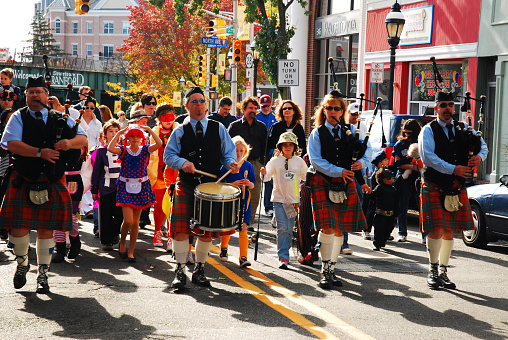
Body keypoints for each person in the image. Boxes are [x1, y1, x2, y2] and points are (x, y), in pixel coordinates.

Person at [0, 76, 87, 293]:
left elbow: (83, 139)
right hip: (23, 177)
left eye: (39, 91)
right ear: (26, 96)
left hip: (51, 180)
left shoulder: (61, 118)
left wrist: (69, 143)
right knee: (18, 230)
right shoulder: (18, 117)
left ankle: (43, 274)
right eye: (31, 92)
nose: (35, 95)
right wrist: (40, 153)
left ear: (47, 96)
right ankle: (22, 264)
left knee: (46, 230)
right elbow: (11, 143)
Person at [164, 86, 239, 289]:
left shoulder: (218, 128)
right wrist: (182, 163)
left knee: (205, 231)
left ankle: (199, 269)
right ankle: (180, 270)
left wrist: (230, 163)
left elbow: (228, 153)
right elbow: (168, 156)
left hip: (210, 186)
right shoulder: (179, 130)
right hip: (186, 184)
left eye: (202, 101)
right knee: (180, 231)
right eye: (194, 101)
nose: (199, 104)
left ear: (207, 106)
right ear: (187, 105)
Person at [418, 90, 487, 290]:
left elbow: (483, 147)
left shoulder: (464, 128)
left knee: (449, 231)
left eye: (450, 104)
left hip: (456, 187)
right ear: (436, 107)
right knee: (436, 229)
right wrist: (453, 169)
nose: (447, 108)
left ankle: (443, 271)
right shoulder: (428, 130)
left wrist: (479, 157)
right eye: (443, 105)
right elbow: (428, 157)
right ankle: (432, 270)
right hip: (434, 184)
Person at [307, 90, 370, 289]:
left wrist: (361, 163)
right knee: (328, 227)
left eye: (337, 108)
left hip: (345, 184)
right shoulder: (317, 133)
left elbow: (368, 153)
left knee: (339, 227)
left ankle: (332, 269)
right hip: (323, 182)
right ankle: (325, 271)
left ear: (342, 110)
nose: (333, 111)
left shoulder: (350, 131)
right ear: (324, 110)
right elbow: (316, 161)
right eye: (329, 108)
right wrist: (339, 170)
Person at [108, 124, 162, 263]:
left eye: (137, 136)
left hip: (142, 187)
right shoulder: (123, 150)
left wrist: (149, 130)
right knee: (128, 220)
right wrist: (119, 132)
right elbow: (109, 148)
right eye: (132, 136)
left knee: (135, 223)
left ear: (141, 138)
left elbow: (159, 143)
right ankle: (122, 243)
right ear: (127, 138)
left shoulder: (145, 149)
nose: (135, 139)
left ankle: (131, 251)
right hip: (125, 186)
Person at [261, 132, 307, 269]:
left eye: (290, 145)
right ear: (280, 147)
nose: (288, 147)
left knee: (289, 230)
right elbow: (266, 178)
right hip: (279, 200)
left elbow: (305, 177)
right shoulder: (275, 161)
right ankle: (283, 257)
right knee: (282, 228)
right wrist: (263, 173)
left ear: (295, 147)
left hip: (293, 201)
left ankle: (285, 253)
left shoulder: (299, 162)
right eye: (285, 145)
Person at [228, 97, 268, 227]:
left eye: (255, 108)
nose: (253, 111)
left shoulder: (261, 127)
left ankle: (248, 222)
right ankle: (233, 221)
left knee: (254, 194)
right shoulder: (235, 126)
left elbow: (265, 147)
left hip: (255, 164)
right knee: (235, 191)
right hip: (237, 164)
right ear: (244, 109)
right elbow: (228, 145)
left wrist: (263, 163)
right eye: (250, 108)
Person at [340, 102, 372, 255]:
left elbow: (368, 151)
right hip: (340, 173)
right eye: (353, 114)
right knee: (340, 206)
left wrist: (362, 162)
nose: (355, 117)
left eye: (358, 115)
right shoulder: (341, 129)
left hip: (355, 173)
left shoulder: (362, 129)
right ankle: (339, 242)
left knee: (354, 202)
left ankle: (347, 237)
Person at [219, 136, 255, 267]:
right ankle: (224, 249)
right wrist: (232, 184)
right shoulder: (226, 166)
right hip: (230, 200)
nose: (239, 153)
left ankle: (243, 257)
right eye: (236, 151)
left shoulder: (248, 165)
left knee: (243, 227)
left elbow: (253, 184)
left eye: (241, 150)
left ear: (245, 151)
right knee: (227, 225)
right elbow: (220, 183)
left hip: (244, 201)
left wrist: (249, 183)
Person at [148, 103, 178, 247]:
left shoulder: (179, 131)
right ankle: (157, 232)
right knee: (159, 205)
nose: (168, 120)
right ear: (159, 119)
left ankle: (171, 235)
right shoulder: (155, 133)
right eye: (165, 118)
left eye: (171, 117)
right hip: (159, 174)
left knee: (173, 206)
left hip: (174, 175)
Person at [91, 120, 123, 250]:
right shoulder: (101, 152)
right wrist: (94, 188)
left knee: (120, 215)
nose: (113, 134)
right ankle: (106, 240)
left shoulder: (123, 150)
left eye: (116, 131)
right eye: (110, 131)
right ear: (105, 134)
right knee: (105, 215)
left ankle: (116, 234)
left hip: (121, 189)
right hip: (105, 188)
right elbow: (96, 171)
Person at [392, 119, 422, 242]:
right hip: (404, 178)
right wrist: (414, 167)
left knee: (422, 207)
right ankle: (402, 233)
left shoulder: (421, 143)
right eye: (405, 132)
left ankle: (425, 235)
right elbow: (397, 164)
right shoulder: (399, 144)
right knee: (402, 207)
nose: (407, 135)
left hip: (419, 178)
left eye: (409, 133)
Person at [256, 94, 278, 218]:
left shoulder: (275, 116)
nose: (265, 108)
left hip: (271, 153)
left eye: (268, 106)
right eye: (263, 106)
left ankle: (269, 207)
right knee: (259, 180)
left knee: (269, 181)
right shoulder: (256, 115)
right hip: (259, 153)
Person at [371, 167, 399, 250]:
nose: (393, 178)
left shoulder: (394, 190)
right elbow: (373, 196)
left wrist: (396, 214)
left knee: (389, 228)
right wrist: (369, 193)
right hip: (380, 214)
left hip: (390, 214)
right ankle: (377, 244)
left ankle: (383, 241)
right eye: (390, 177)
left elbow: (396, 203)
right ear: (384, 179)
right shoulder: (379, 188)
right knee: (379, 230)